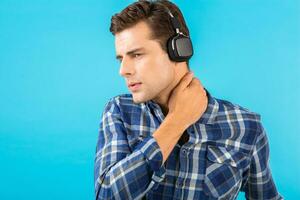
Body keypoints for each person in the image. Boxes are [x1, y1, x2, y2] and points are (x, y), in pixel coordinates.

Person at [94, 0, 283, 199]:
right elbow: (107, 195)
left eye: (137, 55)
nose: (123, 70)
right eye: (120, 58)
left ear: (179, 50)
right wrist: (176, 121)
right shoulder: (119, 112)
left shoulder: (246, 127)